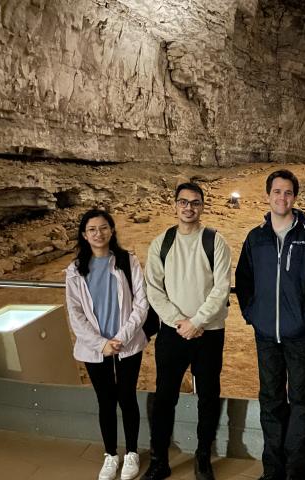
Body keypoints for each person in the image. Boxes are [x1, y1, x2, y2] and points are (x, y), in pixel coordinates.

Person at [235, 169, 305, 480]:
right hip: (266, 335)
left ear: (295, 196)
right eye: (277, 191)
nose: (282, 197)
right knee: (271, 400)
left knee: (303, 400)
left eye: (288, 192)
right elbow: (244, 279)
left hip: (300, 333)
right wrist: (252, 314)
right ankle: (273, 469)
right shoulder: (256, 237)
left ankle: (296, 468)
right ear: (268, 195)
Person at [143, 183, 232, 480]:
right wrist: (179, 321)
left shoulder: (215, 241)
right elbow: (154, 290)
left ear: (202, 206)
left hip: (209, 332)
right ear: (175, 205)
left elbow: (221, 288)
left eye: (195, 202)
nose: (189, 208)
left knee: (208, 395)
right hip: (173, 332)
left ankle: (203, 457)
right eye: (183, 202)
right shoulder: (161, 243)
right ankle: (159, 460)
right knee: (165, 396)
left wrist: (198, 321)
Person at [65, 209, 149, 480]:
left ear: (112, 230)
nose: (98, 234)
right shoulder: (75, 270)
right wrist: (100, 343)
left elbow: (141, 303)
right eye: (92, 229)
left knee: (127, 397)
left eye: (103, 228)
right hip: (95, 348)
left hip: (127, 343)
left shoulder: (127, 261)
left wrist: (121, 337)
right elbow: (75, 312)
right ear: (84, 235)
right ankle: (111, 455)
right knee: (105, 400)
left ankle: (132, 452)